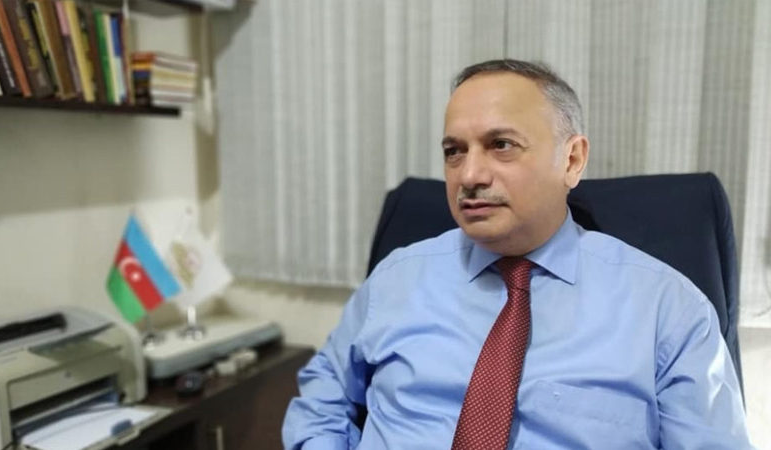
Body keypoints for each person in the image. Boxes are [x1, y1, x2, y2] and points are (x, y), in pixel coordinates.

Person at [281, 59, 753, 449]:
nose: (469, 175)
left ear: (572, 160)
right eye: (454, 151)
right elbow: (323, 397)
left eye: (501, 145)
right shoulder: (397, 279)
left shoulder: (667, 308)